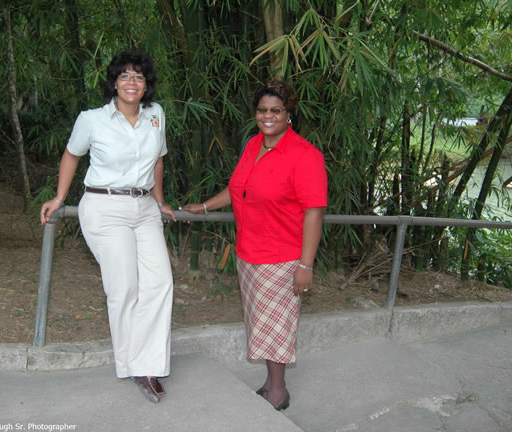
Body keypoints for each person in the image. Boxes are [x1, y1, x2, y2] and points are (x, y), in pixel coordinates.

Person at [181, 80, 327, 410]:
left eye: (276, 110)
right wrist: (204, 206)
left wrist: (306, 264)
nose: (268, 115)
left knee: (276, 327)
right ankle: (271, 383)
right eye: (262, 109)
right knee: (261, 321)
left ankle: (278, 392)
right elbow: (237, 190)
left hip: (282, 258)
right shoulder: (253, 145)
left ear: (289, 114)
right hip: (248, 253)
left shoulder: (305, 156)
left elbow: (314, 214)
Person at [40, 50, 176, 404]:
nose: (132, 83)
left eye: (139, 77)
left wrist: (160, 201)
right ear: (114, 82)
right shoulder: (92, 120)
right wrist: (59, 198)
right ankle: (134, 366)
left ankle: (148, 363)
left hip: (144, 207)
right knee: (125, 285)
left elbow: (158, 159)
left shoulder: (156, 115)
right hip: (104, 206)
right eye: (125, 76)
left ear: (147, 85)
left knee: (160, 282)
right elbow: (72, 154)